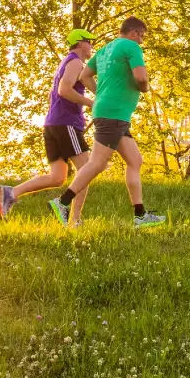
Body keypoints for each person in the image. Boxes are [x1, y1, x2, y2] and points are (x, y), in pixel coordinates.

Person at [48, 16, 165, 229]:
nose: (141, 41)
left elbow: (84, 76)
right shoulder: (131, 47)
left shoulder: (104, 50)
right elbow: (141, 78)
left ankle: (140, 216)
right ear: (134, 33)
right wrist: (145, 88)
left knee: (135, 160)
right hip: (114, 114)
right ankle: (62, 202)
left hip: (112, 113)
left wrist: (100, 95)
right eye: (141, 36)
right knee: (97, 163)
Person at [0, 27, 97, 218]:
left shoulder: (65, 63)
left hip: (53, 124)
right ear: (81, 43)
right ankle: (74, 220)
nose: (92, 46)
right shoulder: (75, 62)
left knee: (57, 177)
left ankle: (12, 193)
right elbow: (64, 90)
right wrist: (90, 103)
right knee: (86, 171)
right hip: (66, 123)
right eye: (90, 41)